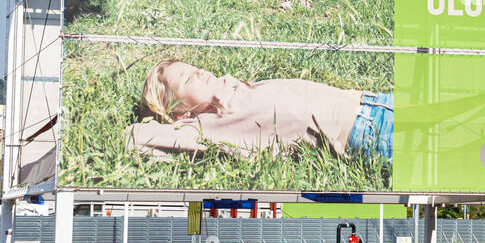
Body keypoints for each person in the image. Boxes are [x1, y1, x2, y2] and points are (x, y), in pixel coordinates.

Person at [127, 59, 392, 165]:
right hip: (368, 130)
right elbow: (135, 137)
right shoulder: (208, 125)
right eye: (187, 80)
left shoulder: (234, 88)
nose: (199, 72)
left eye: (193, 67)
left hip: (375, 103)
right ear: (179, 113)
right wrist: (167, 122)